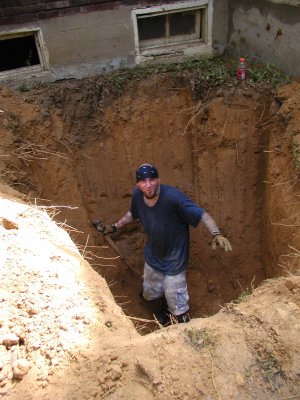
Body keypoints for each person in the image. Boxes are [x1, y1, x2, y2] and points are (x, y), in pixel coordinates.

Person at [95, 163, 232, 326]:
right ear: (138, 184)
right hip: (153, 256)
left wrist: (216, 233)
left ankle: (184, 326)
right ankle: (164, 307)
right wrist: (115, 227)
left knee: (177, 301)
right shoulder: (138, 196)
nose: (148, 185)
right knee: (149, 293)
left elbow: (202, 214)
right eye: (143, 181)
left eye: (151, 180)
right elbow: (133, 213)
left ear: (158, 180)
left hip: (175, 261)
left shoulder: (174, 198)